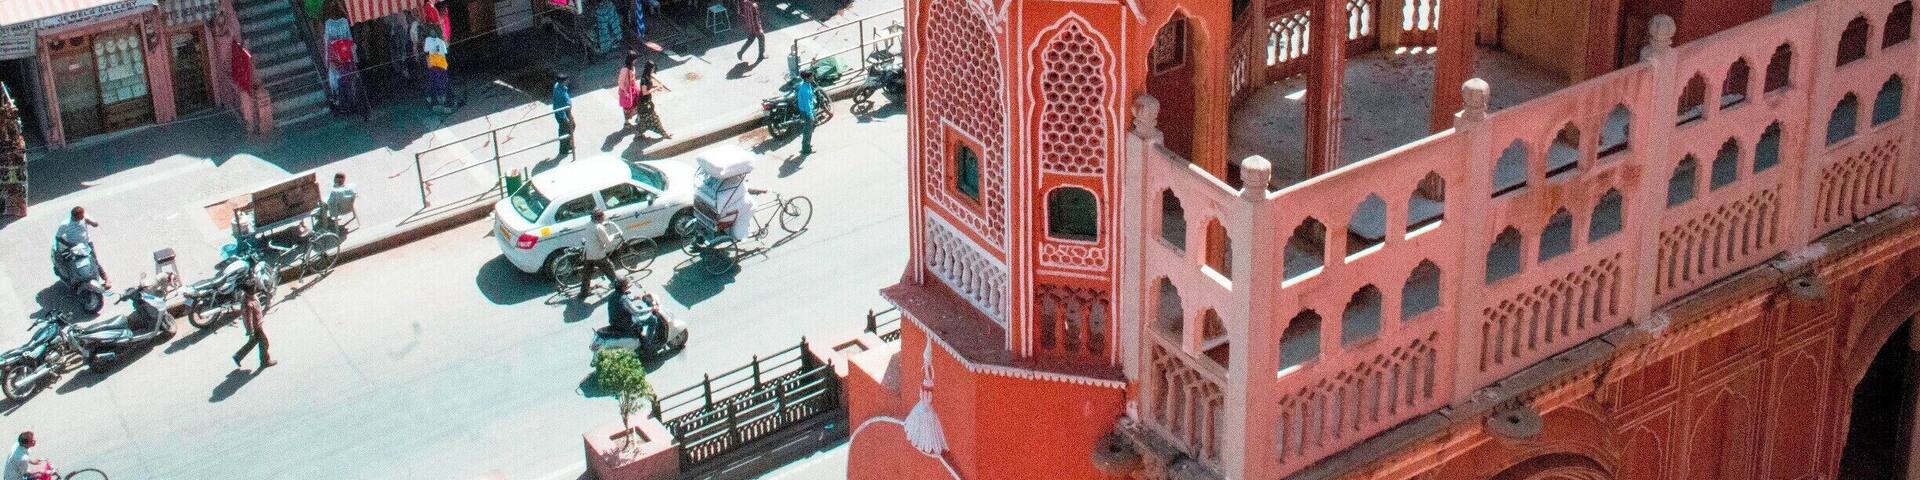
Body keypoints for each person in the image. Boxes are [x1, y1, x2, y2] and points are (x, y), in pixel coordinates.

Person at [578, 209, 625, 299]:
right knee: (610, 270)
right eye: (603, 216)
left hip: (588, 253)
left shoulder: (589, 224)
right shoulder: (599, 228)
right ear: (599, 218)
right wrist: (615, 236)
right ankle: (621, 289)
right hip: (598, 255)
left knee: (587, 274)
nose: (604, 218)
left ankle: (584, 292)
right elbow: (607, 241)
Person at [54, 206, 108, 284]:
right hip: (75, 247)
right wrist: (69, 244)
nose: (83, 216)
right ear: (75, 216)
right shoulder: (65, 224)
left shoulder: (84, 217)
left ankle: (106, 278)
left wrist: (90, 221)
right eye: (81, 215)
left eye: (83, 215)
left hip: (87, 244)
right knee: (74, 263)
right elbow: (58, 237)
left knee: (94, 260)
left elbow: (95, 224)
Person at [232, 279, 275, 370]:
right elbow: (248, 320)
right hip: (256, 327)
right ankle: (265, 361)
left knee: (253, 341)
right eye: (254, 288)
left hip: (257, 324)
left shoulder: (251, 296)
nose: (256, 289)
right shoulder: (248, 304)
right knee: (264, 343)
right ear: (250, 290)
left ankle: (238, 356)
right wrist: (251, 332)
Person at [633, 60, 673, 139]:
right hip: (645, 103)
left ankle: (638, 134)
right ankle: (664, 133)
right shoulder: (645, 79)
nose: (654, 70)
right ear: (650, 69)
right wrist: (656, 88)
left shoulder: (647, 76)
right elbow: (644, 92)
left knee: (643, 121)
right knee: (655, 119)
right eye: (653, 68)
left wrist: (654, 87)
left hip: (644, 103)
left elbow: (646, 88)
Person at [794, 70, 818, 155]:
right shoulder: (805, 89)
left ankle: (806, 145)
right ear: (807, 78)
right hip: (807, 112)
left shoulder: (806, 85)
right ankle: (806, 149)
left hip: (807, 111)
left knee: (808, 130)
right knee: (808, 131)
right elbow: (807, 104)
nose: (813, 78)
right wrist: (811, 115)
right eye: (812, 77)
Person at [552, 74, 575, 159]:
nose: (568, 81)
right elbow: (559, 107)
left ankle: (568, 143)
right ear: (563, 81)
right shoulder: (558, 92)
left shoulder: (560, 86)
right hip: (562, 114)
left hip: (567, 111)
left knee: (572, 126)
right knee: (564, 130)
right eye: (566, 80)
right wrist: (565, 118)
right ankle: (564, 149)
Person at [617, 53, 640, 126]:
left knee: (637, 103)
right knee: (627, 106)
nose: (636, 60)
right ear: (631, 60)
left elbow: (633, 78)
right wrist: (626, 91)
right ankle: (626, 122)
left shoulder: (632, 67)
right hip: (627, 91)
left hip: (634, 89)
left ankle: (638, 117)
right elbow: (620, 82)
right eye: (635, 59)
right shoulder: (624, 70)